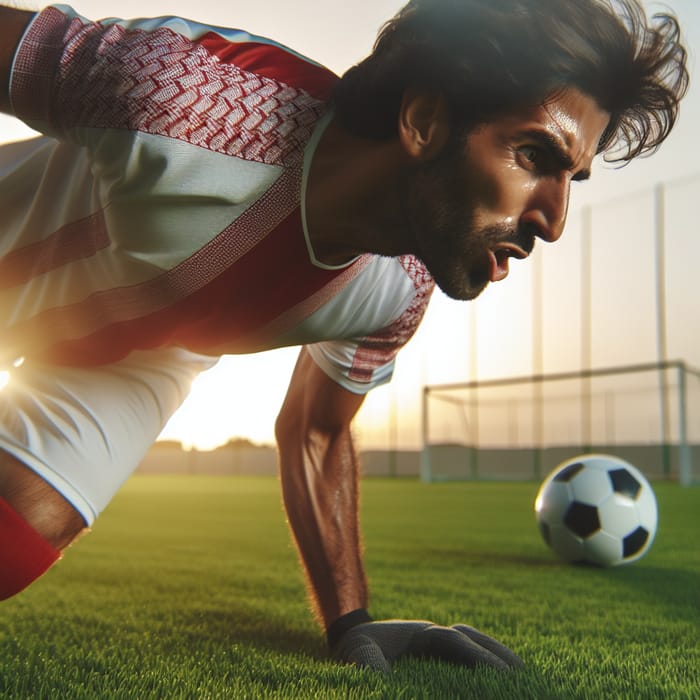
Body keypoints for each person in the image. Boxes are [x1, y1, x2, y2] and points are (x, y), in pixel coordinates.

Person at [0, 0, 688, 673]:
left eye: (574, 180)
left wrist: (350, 622)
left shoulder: (400, 296)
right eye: (535, 154)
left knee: (14, 545)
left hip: (149, 351)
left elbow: (317, 431)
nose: (554, 220)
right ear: (424, 120)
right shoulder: (186, 97)